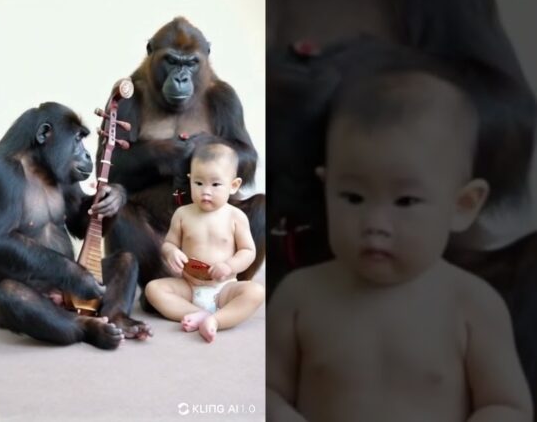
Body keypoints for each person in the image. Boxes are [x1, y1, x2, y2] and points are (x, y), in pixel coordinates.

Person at [266, 68, 533, 421]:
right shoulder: (299, 296)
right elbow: (264, 389)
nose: (375, 224)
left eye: (405, 201)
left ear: (462, 205)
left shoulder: (472, 304)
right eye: (353, 197)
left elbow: (508, 407)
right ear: (326, 188)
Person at [145, 140, 265, 343]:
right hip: (189, 287)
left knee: (256, 292)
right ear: (190, 180)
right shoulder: (182, 214)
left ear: (233, 185)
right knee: (153, 289)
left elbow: (247, 251)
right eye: (198, 183)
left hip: (224, 288)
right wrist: (172, 252)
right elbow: (169, 244)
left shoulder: (235, 217)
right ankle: (197, 314)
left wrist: (229, 266)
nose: (205, 191)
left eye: (216, 184)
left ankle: (217, 320)